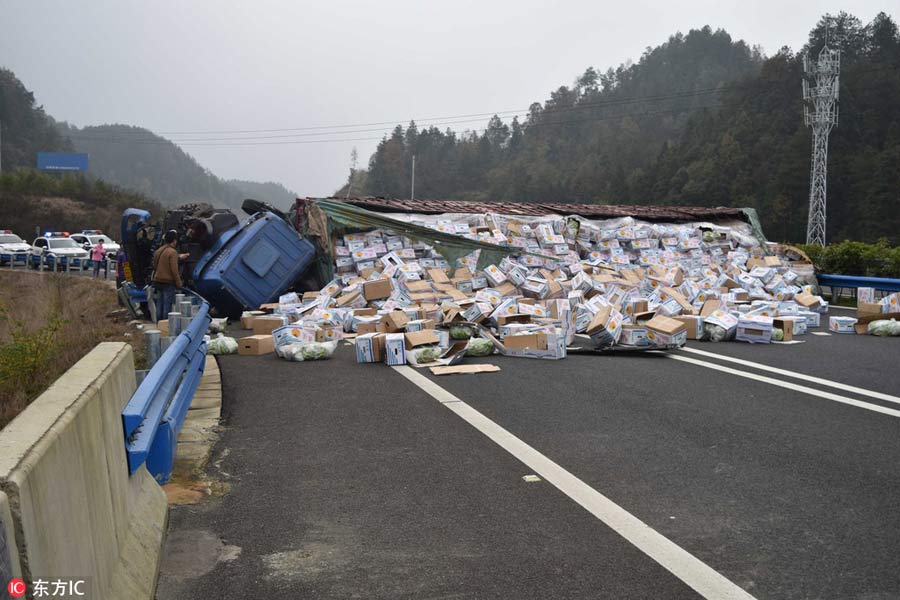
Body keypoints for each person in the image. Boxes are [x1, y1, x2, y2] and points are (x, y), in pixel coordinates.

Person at [151, 231, 184, 321]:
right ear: (174, 241)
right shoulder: (172, 252)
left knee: (159, 303)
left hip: (158, 280)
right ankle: (165, 325)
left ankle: (159, 323)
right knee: (167, 305)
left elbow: (154, 265)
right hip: (168, 282)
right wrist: (179, 283)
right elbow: (174, 270)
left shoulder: (159, 251)